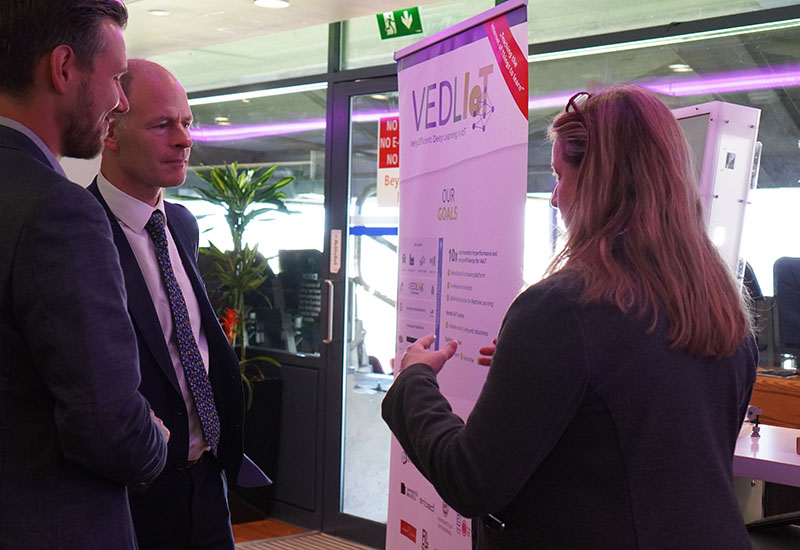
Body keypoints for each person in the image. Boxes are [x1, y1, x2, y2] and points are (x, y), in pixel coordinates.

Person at [382, 86, 758, 549]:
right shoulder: (724, 312)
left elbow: (470, 480)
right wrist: (557, 373)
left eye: (561, 175)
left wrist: (413, 380)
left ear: (598, 182)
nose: (555, 197)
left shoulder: (559, 309)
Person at [0, 2, 169, 549]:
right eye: (117, 79)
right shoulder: (58, 212)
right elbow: (109, 426)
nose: (119, 101)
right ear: (64, 67)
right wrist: (156, 440)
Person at [88, 59, 247, 550]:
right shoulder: (77, 232)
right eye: (162, 125)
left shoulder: (181, 224)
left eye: (187, 123)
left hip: (207, 485)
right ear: (110, 132)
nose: (183, 140)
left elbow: (191, 345)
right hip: (132, 495)